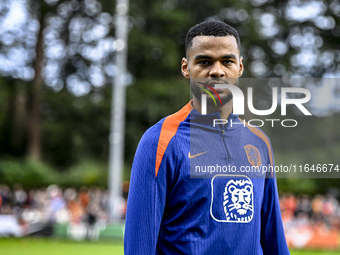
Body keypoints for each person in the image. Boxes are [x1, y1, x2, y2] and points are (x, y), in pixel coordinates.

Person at [124, 20, 290, 254]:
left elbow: (274, 238)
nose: (217, 71)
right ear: (185, 67)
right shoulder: (159, 141)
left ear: (240, 67)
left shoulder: (259, 142)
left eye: (227, 61)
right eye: (204, 62)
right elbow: (139, 244)